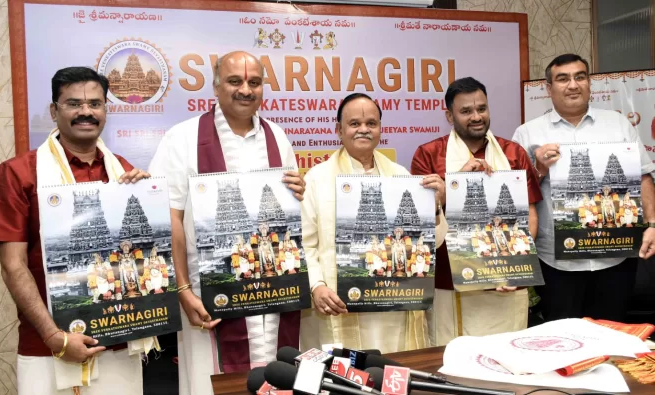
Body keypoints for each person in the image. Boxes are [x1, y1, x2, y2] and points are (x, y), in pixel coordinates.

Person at [0, 67, 151, 395]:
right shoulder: (19, 174)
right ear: (54, 110)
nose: (86, 112)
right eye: (74, 104)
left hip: (120, 342)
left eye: (95, 104)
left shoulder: (124, 171)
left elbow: (143, 252)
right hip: (48, 347)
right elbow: (12, 265)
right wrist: (54, 337)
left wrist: (147, 199)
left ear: (106, 110)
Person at [148, 51, 306, 394]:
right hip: (210, 299)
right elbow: (168, 218)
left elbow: (288, 213)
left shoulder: (278, 136)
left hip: (274, 294)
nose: (245, 90)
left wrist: (298, 193)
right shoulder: (183, 137)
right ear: (216, 87)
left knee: (278, 375)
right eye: (235, 81)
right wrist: (183, 290)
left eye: (254, 82)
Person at [513, 53, 655, 322]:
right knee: (563, 341)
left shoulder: (618, 124)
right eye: (563, 78)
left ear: (589, 83)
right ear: (548, 88)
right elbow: (517, 196)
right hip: (557, 262)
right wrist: (540, 168)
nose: (572, 85)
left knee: (611, 338)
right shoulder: (528, 133)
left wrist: (651, 224)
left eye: (580, 77)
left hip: (615, 259)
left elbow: (643, 177)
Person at [300, 93, 443, 353]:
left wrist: (434, 207)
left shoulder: (401, 177)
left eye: (371, 123)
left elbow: (431, 243)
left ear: (380, 129)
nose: (363, 129)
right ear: (339, 130)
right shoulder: (316, 179)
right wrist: (316, 286)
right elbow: (304, 245)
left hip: (394, 309)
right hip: (338, 301)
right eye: (354, 124)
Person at [411, 77, 542, 347]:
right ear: (449, 115)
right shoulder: (428, 155)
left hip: (505, 281)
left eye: (481, 109)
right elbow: (419, 227)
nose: (476, 117)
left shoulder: (512, 153)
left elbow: (529, 214)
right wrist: (454, 186)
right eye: (466, 111)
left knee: (506, 356)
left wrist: (515, 269)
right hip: (449, 283)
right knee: (452, 360)